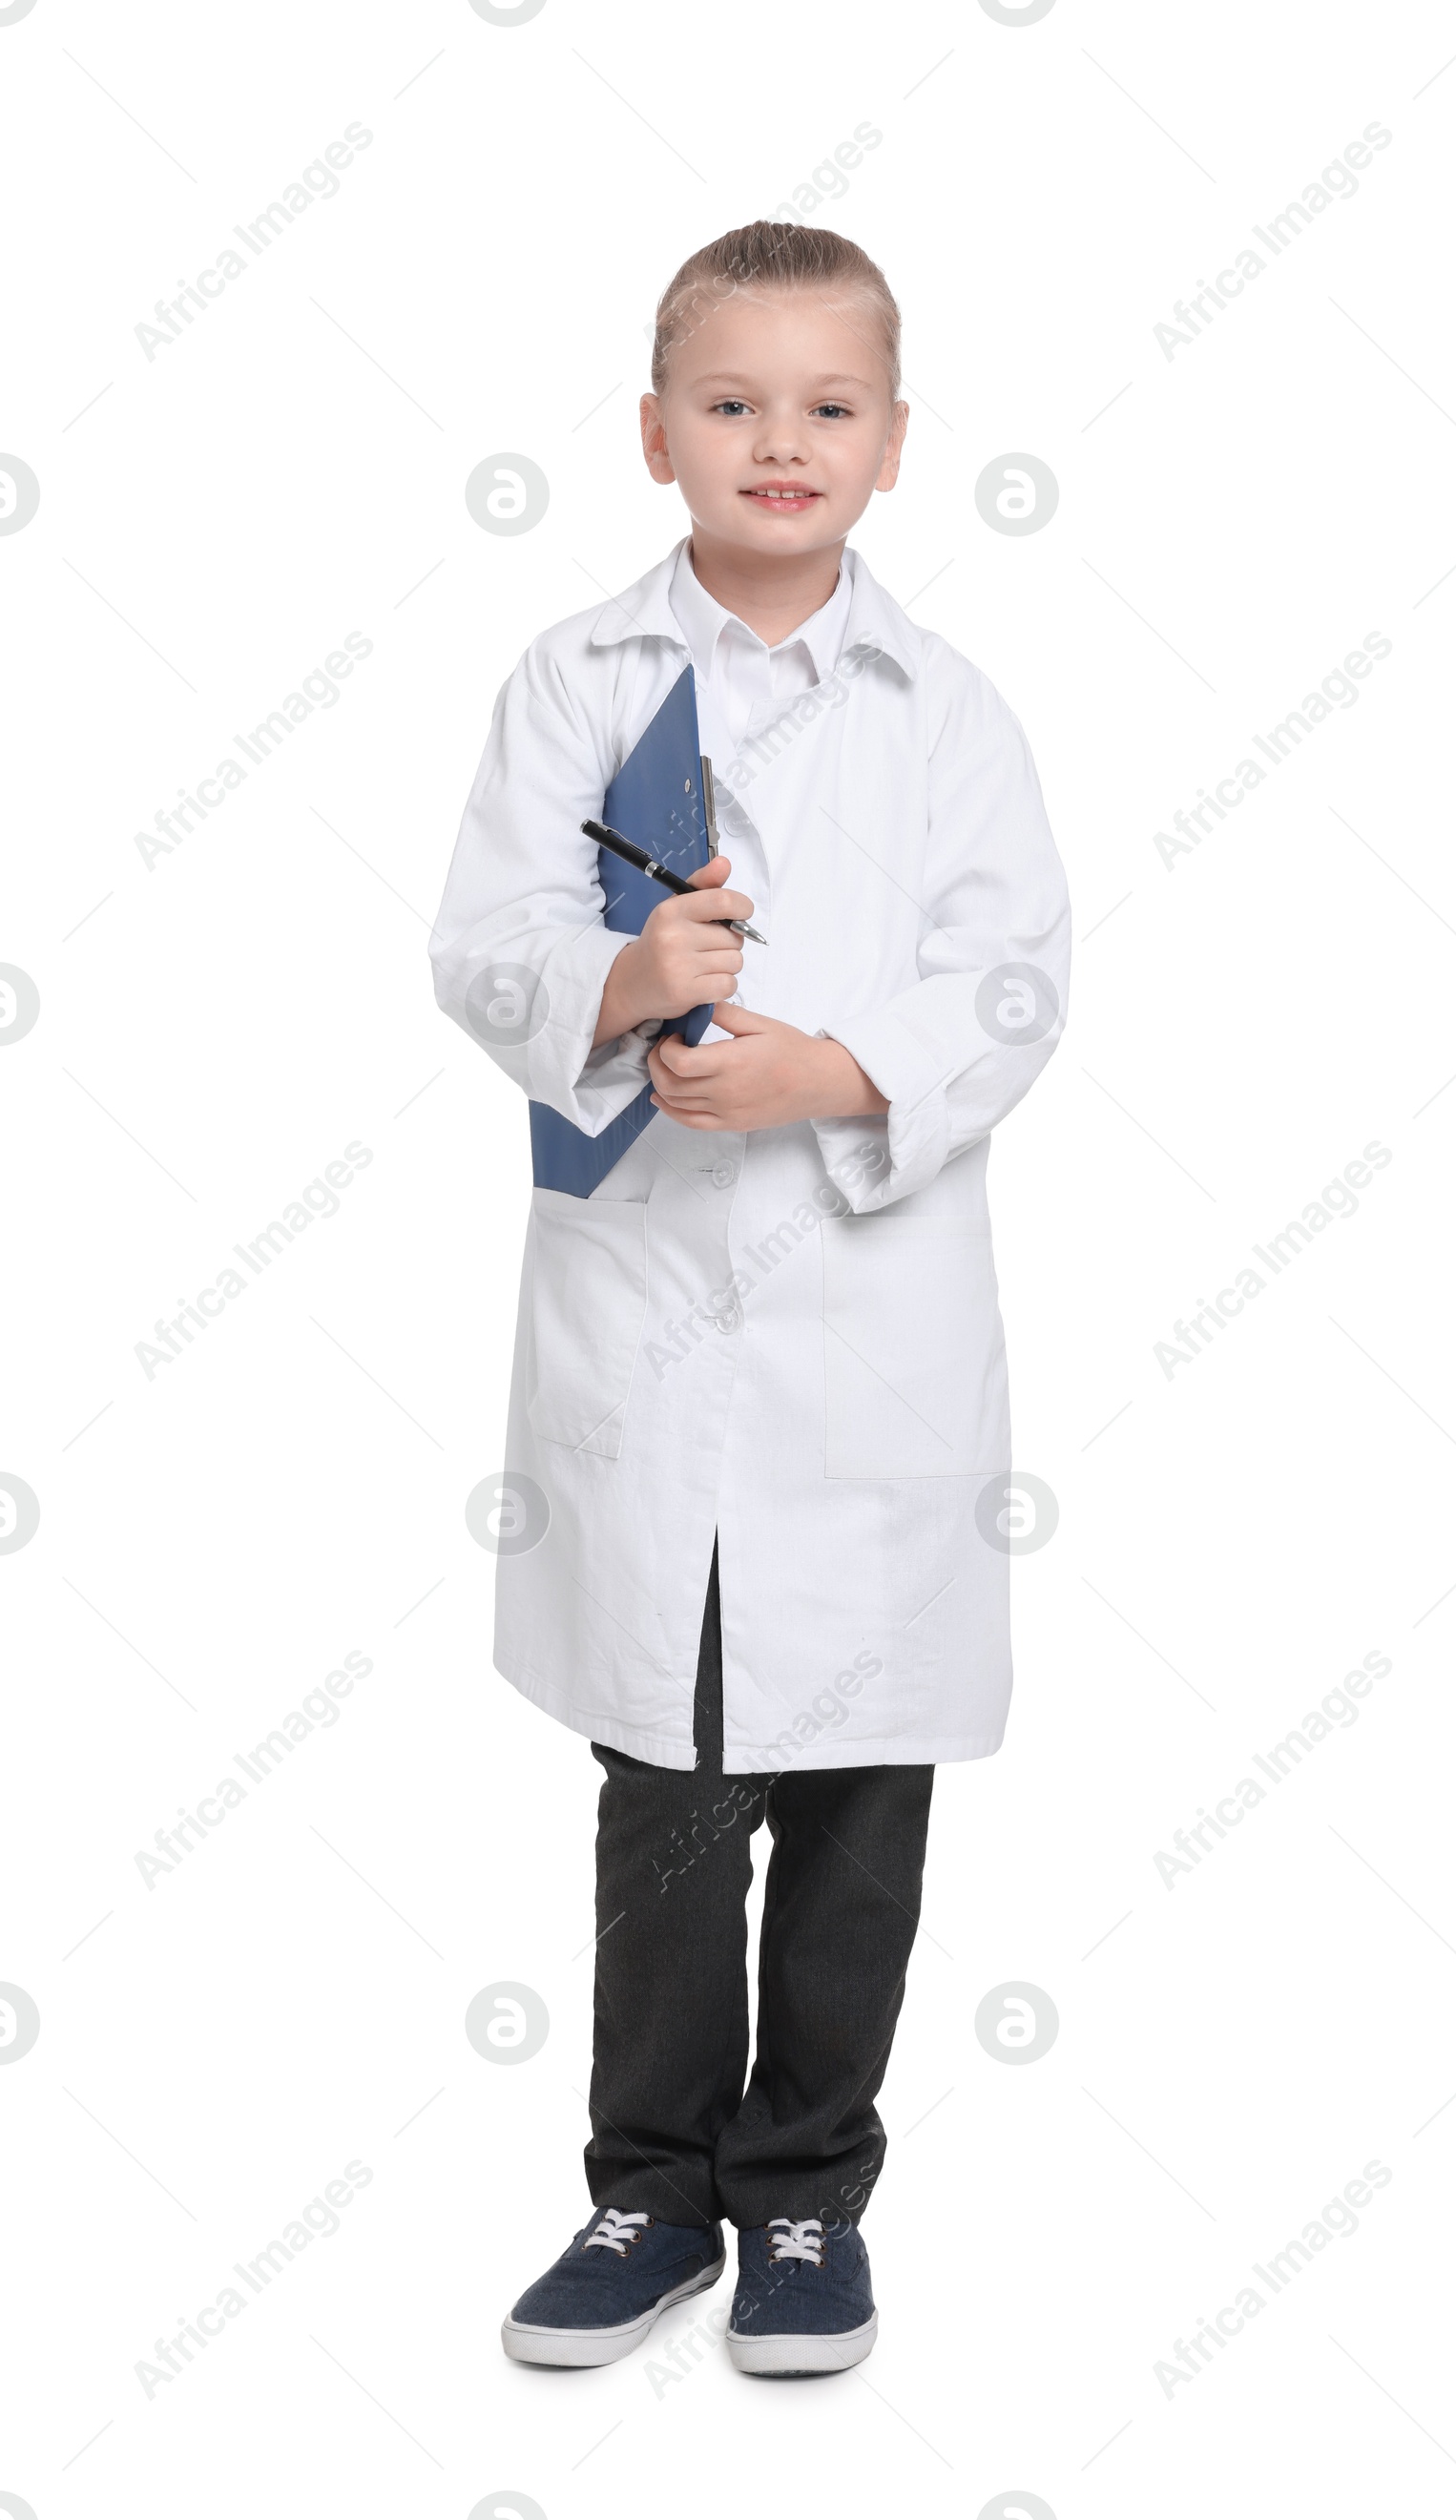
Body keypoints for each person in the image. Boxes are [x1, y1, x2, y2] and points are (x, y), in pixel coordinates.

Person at [428, 220, 1071, 2378]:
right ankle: (645, 2185)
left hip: (867, 1338)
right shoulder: (572, 683)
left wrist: (836, 1070)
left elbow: (1013, 976)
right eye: (728, 400)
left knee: (857, 1783)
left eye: (823, 405)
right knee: (671, 1772)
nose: (774, 440)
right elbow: (484, 942)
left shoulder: (943, 709)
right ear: (650, 432)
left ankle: (805, 2195)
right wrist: (623, 980)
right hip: (647, 1336)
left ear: (889, 444)